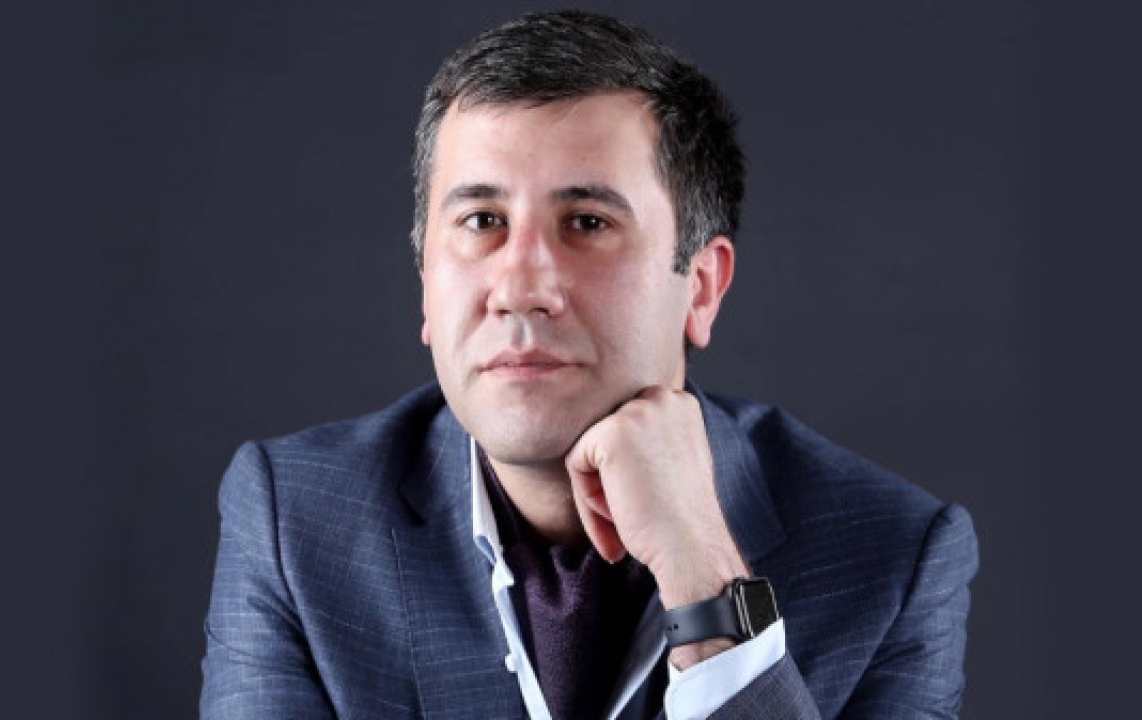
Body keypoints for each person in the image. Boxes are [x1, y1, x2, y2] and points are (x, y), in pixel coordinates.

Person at [201, 10, 978, 720]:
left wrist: (708, 584)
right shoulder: (295, 520)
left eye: (586, 222)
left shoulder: (893, 558)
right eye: (481, 220)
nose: (519, 288)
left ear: (700, 287)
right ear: (426, 282)